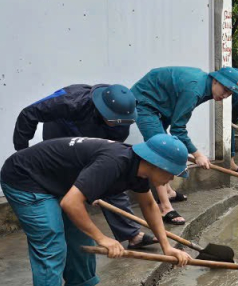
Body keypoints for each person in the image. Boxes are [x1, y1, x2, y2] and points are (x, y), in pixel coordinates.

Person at [0, 134, 193, 286]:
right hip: (25, 177)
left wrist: (167, 247)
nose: (171, 178)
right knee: (51, 245)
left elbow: (149, 204)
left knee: (80, 236)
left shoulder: (139, 167)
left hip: (56, 180)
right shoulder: (114, 162)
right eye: (171, 172)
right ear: (156, 163)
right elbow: (71, 202)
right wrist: (103, 238)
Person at [13, 83, 157, 250]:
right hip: (62, 137)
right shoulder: (70, 101)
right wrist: (22, 152)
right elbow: (28, 114)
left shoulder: (122, 120)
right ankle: (64, 227)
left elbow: (114, 163)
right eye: (113, 120)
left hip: (95, 140)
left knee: (112, 177)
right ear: (102, 109)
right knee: (65, 186)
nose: (117, 124)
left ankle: (131, 234)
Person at [131, 66, 238, 225]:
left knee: (165, 145)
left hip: (162, 104)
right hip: (145, 103)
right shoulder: (195, 90)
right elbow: (178, 129)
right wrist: (197, 154)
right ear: (215, 80)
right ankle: (165, 207)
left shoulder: (208, 89)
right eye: (225, 89)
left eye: (230, 93)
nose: (225, 95)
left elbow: (178, 119)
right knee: (162, 153)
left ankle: (169, 192)